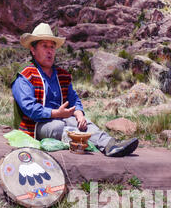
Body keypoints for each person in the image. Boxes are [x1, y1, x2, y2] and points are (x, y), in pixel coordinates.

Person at [12, 23, 139, 157]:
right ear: (33, 49)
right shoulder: (25, 75)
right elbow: (29, 108)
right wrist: (56, 113)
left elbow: (73, 99)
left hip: (62, 117)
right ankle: (81, 141)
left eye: (52, 47)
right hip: (36, 125)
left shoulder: (62, 75)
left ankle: (109, 145)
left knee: (83, 123)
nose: (49, 51)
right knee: (59, 127)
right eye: (44, 46)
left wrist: (79, 113)